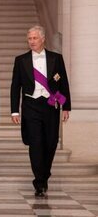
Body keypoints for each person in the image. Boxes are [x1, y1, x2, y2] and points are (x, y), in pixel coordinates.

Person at [10, 25, 71, 197]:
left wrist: (66, 106)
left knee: (51, 143)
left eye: (35, 38)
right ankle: (39, 181)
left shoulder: (56, 58)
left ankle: (45, 174)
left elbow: (64, 82)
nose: (31, 41)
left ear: (43, 39)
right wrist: (15, 111)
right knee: (35, 144)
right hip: (30, 106)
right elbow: (15, 87)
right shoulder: (21, 60)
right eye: (29, 38)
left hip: (51, 105)